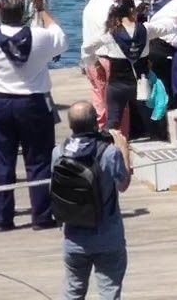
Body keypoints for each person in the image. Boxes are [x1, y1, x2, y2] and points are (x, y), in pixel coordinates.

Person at [0, 0, 68, 231]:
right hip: (33, 103)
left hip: (0, 103)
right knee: (39, 160)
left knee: (1, 160)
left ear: (1, 12)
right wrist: (41, 8)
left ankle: (2, 218)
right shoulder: (40, 37)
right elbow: (61, 38)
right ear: (23, 13)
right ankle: (42, 216)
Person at [52, 101, 131, 300]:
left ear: (71, 125)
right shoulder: (109, 152)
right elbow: (123, 184)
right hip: (107, 236)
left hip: (74, 238)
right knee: (109, 292)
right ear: (96, 123)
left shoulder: (58, 153)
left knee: (73, 292)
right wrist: (123, 149)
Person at [82, 0, 177, 136]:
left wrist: (95, 63)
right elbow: (167, 28)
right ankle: (156, 137)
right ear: (132, 11)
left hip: (117, 85)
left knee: (114, 125)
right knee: (153, 118)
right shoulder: (146, 29)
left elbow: (87, 47)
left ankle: (119, 146)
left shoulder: (110, 34)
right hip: (142, 84)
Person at [81, 0, 133, 128]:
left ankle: (101, 134)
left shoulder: (92, 2)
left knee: (100, 105)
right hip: (108, 60)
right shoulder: (113, 7)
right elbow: (116, 35)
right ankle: (118, 138)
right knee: (118, 108)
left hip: (91, 59)